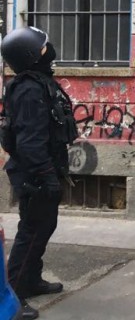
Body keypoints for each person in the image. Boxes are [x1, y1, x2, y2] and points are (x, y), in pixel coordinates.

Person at [1, 27, 79, 320]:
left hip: (44, 168)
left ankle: (31, 279)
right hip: (35, 174)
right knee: (32, 231)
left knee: (43, 227)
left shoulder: (39, 82)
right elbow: (30, 141)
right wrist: (46, 175)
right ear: (31, 55)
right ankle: (15, 294)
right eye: (44, 47)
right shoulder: (29, 89)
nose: (50, 50)